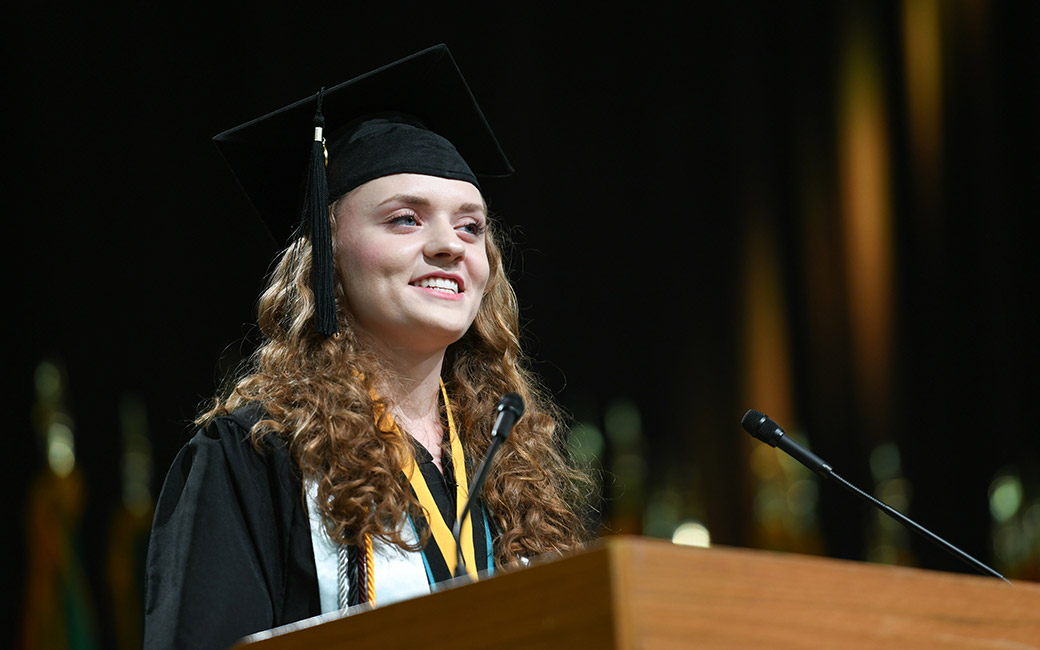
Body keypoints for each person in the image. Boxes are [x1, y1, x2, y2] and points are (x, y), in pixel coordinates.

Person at [142, 45, 593, 650]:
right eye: (406, 219)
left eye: (471, 226)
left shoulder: (514, 470)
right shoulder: (255, 460)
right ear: (324, 256)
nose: (448, 245)